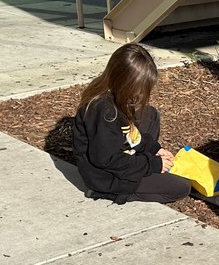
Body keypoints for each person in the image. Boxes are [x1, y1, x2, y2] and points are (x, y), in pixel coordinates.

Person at [73, 43, 191, 204]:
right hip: (107, 177)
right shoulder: (104, 112)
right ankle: (115, 193)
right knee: (181, 188)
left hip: (122, 157)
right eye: (139, 89)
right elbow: (107, 160)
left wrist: (155, 149)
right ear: (125, 83)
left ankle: (140, 165)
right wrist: (153, 165)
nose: (141, 95)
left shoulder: (117, 98)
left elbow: (132, 134)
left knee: (151, 114)